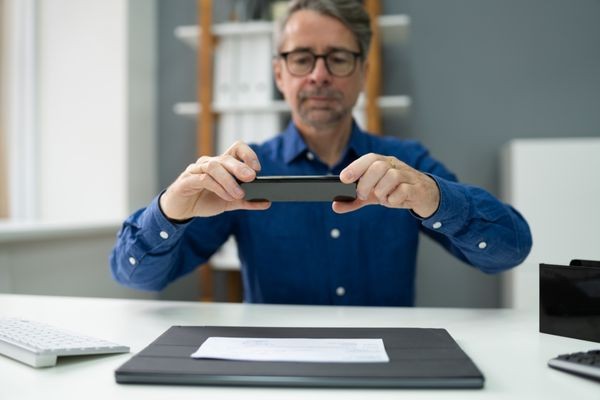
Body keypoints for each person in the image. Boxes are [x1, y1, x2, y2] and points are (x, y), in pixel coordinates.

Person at [110, 0, 531, 306]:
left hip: (386, 376)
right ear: (279, 73)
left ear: (364, 72)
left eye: (339, 59)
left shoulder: (406, 165)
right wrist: (171, 211)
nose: (319, 75)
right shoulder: (240, 175)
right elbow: (135, 277)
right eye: (301, 59)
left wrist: (434, 197)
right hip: (276, 373)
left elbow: (511, 250)